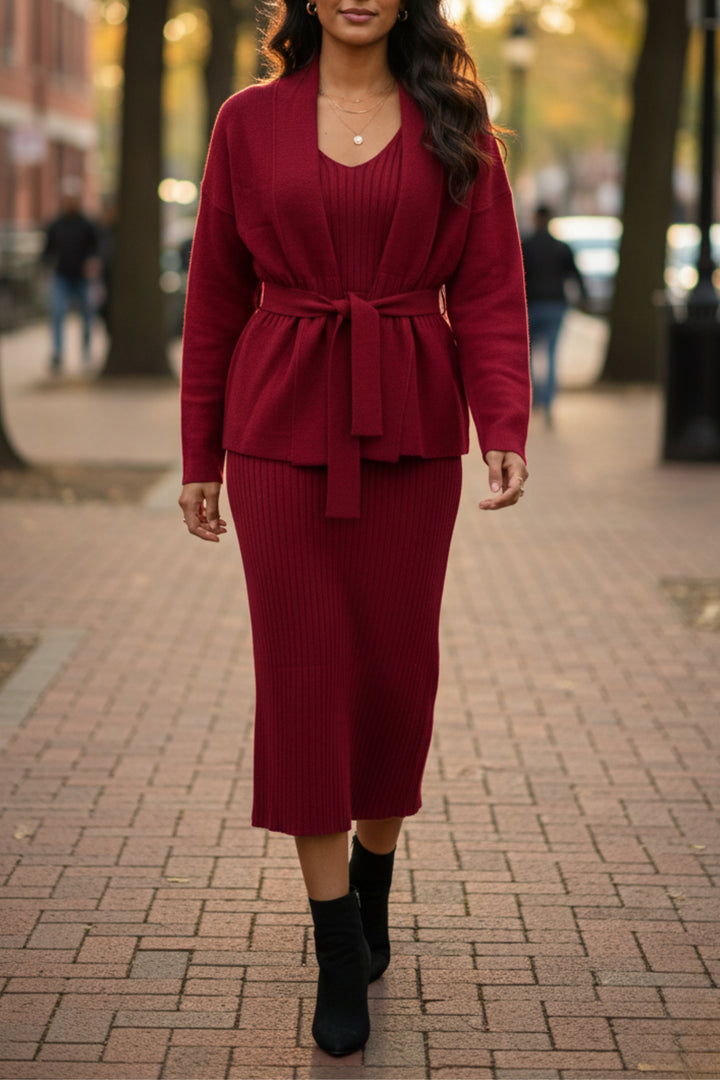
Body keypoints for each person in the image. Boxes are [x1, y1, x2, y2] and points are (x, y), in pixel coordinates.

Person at [179, 0, 530, 1058]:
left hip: (413, 429)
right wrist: (201, 454)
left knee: (391, 676)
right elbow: (213, 296)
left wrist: (502, 419)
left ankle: (374, 880)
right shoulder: (248, 121)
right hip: (280, 424)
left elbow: (489, 288)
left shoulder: (456, 121)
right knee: (303, 675)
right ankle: (337, 943)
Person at [521, 204, 588, 426]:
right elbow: (575, 275)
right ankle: (548, 403)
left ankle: (532, 398)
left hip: (530, 306)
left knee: (527, 357)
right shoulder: (561, 247)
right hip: (555, 305)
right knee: (551, 355)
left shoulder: (526, 246)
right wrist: (584, 298)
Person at [42, 177, 99, 374]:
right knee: (57, 314)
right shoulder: (55, 224)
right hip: (61, 276)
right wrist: (46, 268)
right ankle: (57, 354)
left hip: (82, 278)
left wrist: (92, 262)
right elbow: (47, 251)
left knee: (87, 316)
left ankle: (86, 352)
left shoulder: (87, 224)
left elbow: (96, 249)